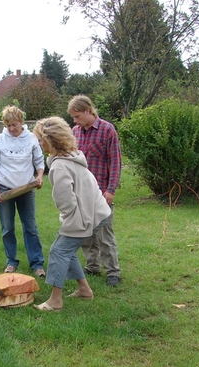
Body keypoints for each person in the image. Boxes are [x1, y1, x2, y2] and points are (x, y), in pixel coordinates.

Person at [31, 116, 111, 311]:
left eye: (41, 140)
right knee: (65, 248)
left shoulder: (59, 166)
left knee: (59, 251)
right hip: (98, 211)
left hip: (86, 216)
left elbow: (65, 203)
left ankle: (55, 301)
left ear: (51, 140)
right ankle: (85, 290)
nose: (39, 144)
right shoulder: (72, 155)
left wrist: (66, 220)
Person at [68, 95, 122, 286]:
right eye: (73, 118)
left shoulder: (107, 129)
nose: (75, 121)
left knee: (104, 233)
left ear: (88, 111)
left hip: (102, 192)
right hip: (81, 192)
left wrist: (111, 189)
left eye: (77, 116)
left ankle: (113, 272)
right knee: (86, 233)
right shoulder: (75, 132)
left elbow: (115, 162)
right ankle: (92, 266)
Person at [0, 105, 46, 277]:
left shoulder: (32, 139)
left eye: (14, 124)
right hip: (4, 189)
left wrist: (39, 177)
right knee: (7, 228)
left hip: (26, 188)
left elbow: (39, 162)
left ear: (21, 122)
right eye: (8, 125)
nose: (11, 128)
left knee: (31, 227)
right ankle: (11, 261)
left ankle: (37, 264)